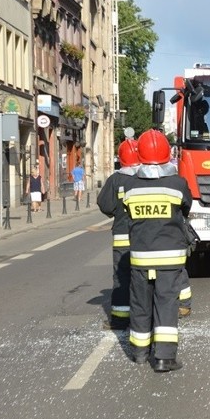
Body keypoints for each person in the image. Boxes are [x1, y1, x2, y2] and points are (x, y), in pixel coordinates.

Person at [122, 130, 192, 372]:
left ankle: (139, 353)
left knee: (140, 304)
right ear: (167, 153)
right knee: (166, 305)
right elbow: (186, 206)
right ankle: (164, 358)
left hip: (140, 258)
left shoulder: (130, 187)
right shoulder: (177, 184)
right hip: (170, 258)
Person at [96, 139, 140, 330]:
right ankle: (146, 316)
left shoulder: (115, 180)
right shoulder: (147, 178)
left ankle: (121, 319)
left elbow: (104, 204)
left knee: (122, 277)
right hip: (145, 238)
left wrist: (118, 213)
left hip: (123, 237)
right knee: (145, 277)